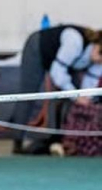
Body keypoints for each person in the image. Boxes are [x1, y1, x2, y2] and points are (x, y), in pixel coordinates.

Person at [11, 25, 102, 154]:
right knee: (27, 95)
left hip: (65, 63)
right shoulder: (75, 41)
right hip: (38, 48)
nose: (100, 60)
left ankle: (60, 140)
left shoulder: (97, 58)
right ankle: (18, 141)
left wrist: (86, 98)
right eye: (100, 54)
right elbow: (57, 72)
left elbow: (91, 82)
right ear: (96, 44)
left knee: (68, 99)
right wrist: (76, 96)